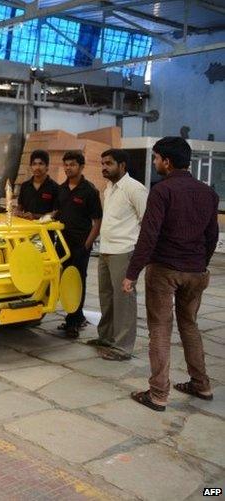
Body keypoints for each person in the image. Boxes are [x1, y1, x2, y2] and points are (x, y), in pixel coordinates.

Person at [123, 137, 218, 411]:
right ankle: (201, 384)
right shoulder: (208, 192)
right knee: (190, 326)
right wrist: (200, 262)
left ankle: (158, 394)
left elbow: (148, 237)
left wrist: (132, 273)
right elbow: (212, 236)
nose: (154, 163)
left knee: (160, 330)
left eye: (156, 158)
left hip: (165, 271)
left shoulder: (163, 191)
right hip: (196, 272)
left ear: (167, 161)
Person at [90, 149, 147, 361]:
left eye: (109, 163)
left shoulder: (135, 189)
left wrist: (138, 253)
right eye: (102, 163)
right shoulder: (109, 188)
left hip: (124, 252)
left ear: (122, 165)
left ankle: (123, 347)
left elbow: (147, 221)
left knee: (124, 299)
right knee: (106, 297)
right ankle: (106, 337)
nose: (104, 167)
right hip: (105, 250)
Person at [57, 150, 102, 338]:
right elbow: (58, 212)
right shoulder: (61, 189)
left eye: (72, 164)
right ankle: (74, 316)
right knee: (64, 280)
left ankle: (74, 322)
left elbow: (97, 221)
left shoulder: (90, 191)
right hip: (62, 244)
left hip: (79, 245)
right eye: (66, 164)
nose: (68, 168)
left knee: (77, 281)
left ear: (81, 167)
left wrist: (86, 246)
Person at [16, 149, 59, 219]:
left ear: (47, 167)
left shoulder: (55, 188)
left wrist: (34, 216)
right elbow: (20, 207)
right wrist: (17, 212)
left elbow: (54, 213)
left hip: (45, 228)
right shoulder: (25, 186)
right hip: (26, 227)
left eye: (41, 164)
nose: (37, 167)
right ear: (31, 167)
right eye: (34, 164)